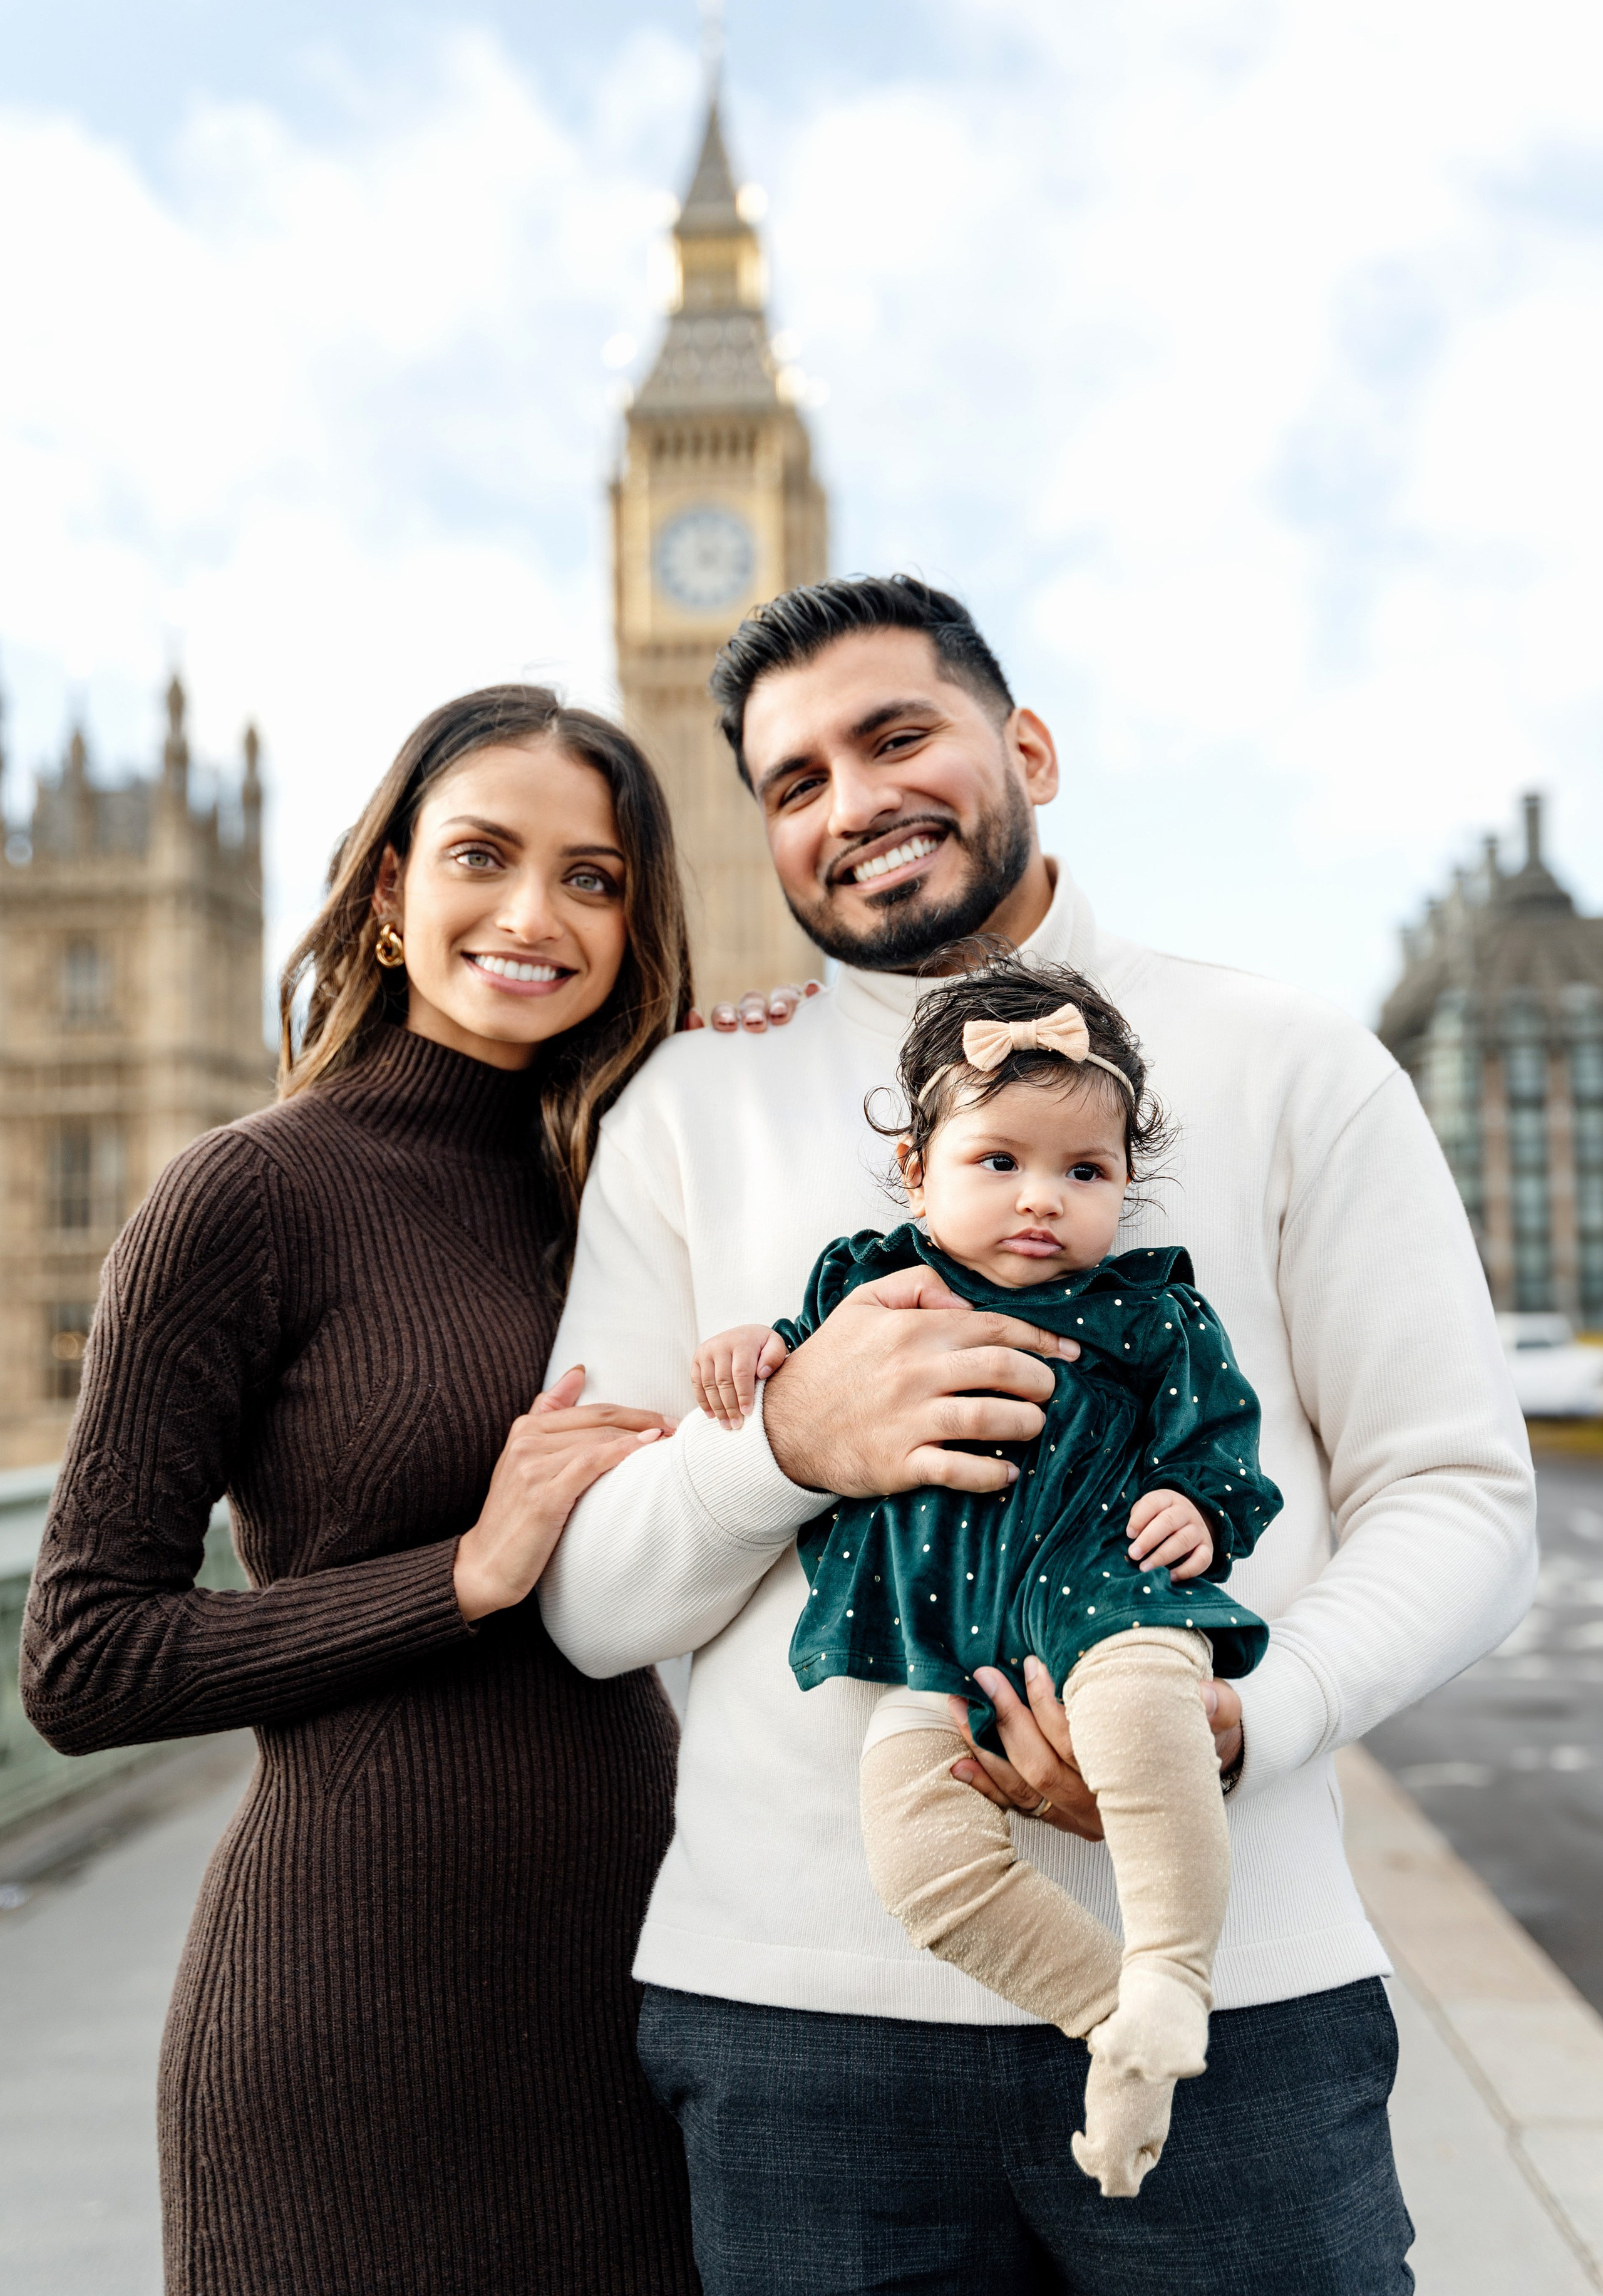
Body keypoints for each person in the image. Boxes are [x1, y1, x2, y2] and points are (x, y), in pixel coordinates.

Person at [539, 576, 1537, 2295]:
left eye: (895, 735)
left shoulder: (1291, 1058)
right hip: (800, 2034)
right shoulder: (690, 1105)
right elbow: (591, 1603)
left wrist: (1250, 1721)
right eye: (794, 782)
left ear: (1029, 748)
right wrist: (788, 1438)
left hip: (1244, 2016)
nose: (852, 802)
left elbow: (1457, 1497)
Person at [20, 683, 803, 2296]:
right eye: (481, 857)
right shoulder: (247, 1192)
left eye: (592, 878)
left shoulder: (633, 1187)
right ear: (389, 892)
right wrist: (461, 1570)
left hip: (647, 1988)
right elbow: (84, 1659)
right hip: (350, 2015)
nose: (534, 913)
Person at [693, 951, 1285, 2197]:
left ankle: (1174, 1964)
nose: (1040, 1199)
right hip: (943, 1640)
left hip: (1107, 1595)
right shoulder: (874, 1284)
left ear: (1126, 1183)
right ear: (915, 1170)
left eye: (1084, 1171)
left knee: (1141, 1716)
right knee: (914, 1849)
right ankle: (1113, 2015)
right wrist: (759, 1351)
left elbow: (1220, 1440)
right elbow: (802, 1367)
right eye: (995, 1160)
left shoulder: (1149, 1314)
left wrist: (1194, 1500)